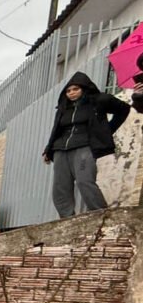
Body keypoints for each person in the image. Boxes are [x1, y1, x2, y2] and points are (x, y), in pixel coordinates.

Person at [42, 71, 130, 218]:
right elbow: (56, 129)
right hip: (60, 149)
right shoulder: (64, 107)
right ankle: (66, 218)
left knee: (84, 180)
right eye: (68, 91)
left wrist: (107, 130)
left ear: (84, 88)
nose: (71, 93)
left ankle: (101, 214)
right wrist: (48, 149)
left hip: (84, 146)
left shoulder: (98, 101)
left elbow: (124, 109)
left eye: (75, 89)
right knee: (60, 186)